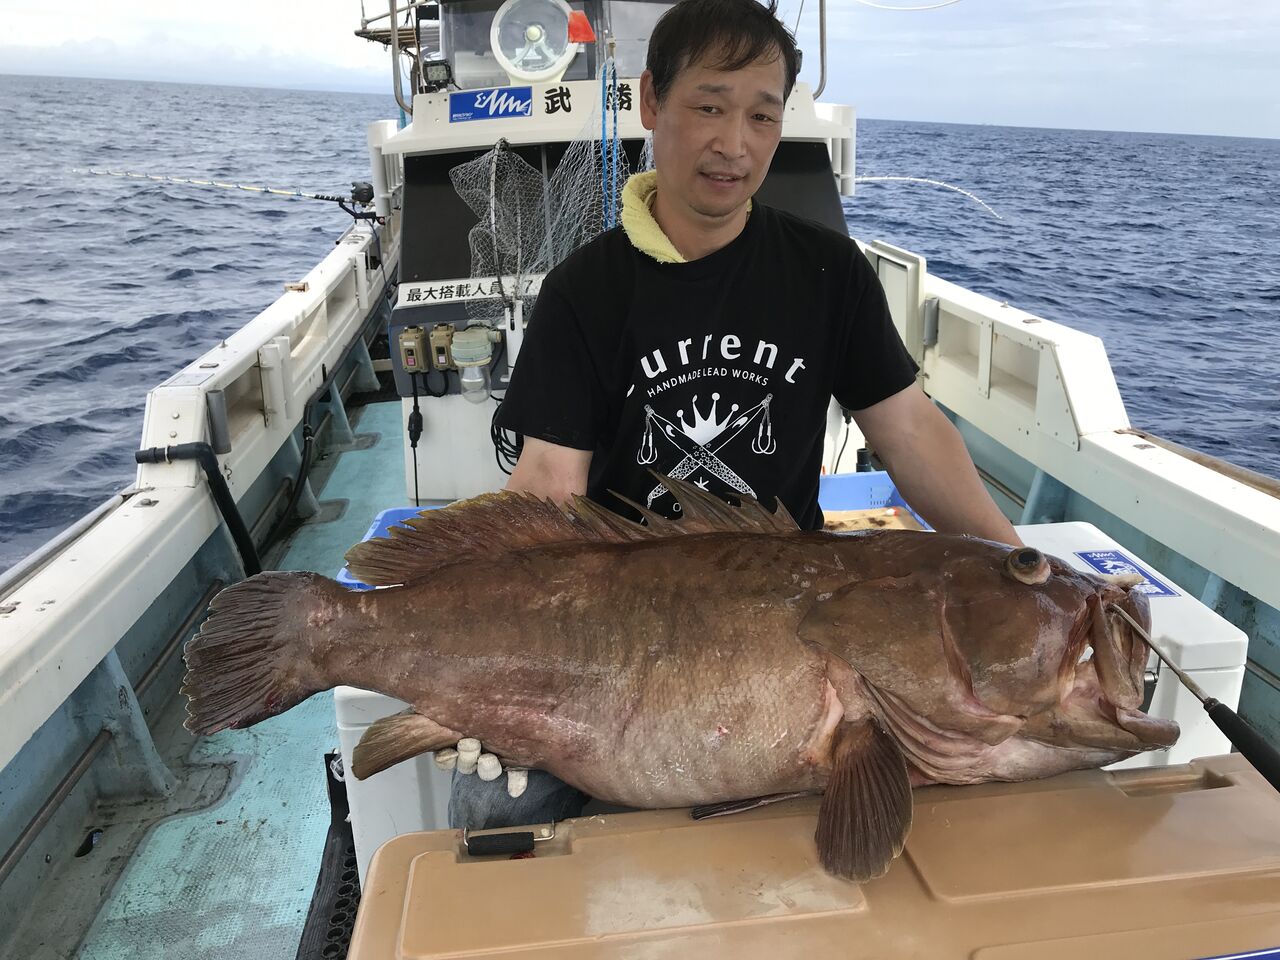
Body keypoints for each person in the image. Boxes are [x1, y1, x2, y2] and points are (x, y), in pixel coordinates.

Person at [448, 0, 1021, 830]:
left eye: (762, 114)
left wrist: (1018, 565)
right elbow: (547, 490)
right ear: (652, 102)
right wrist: (489, 663)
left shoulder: (827, 269)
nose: (735, 144)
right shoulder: (585, 290)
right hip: (619, 626)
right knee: (495, 812)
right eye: (709, 107)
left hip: (791, 621)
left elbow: (908, 429)